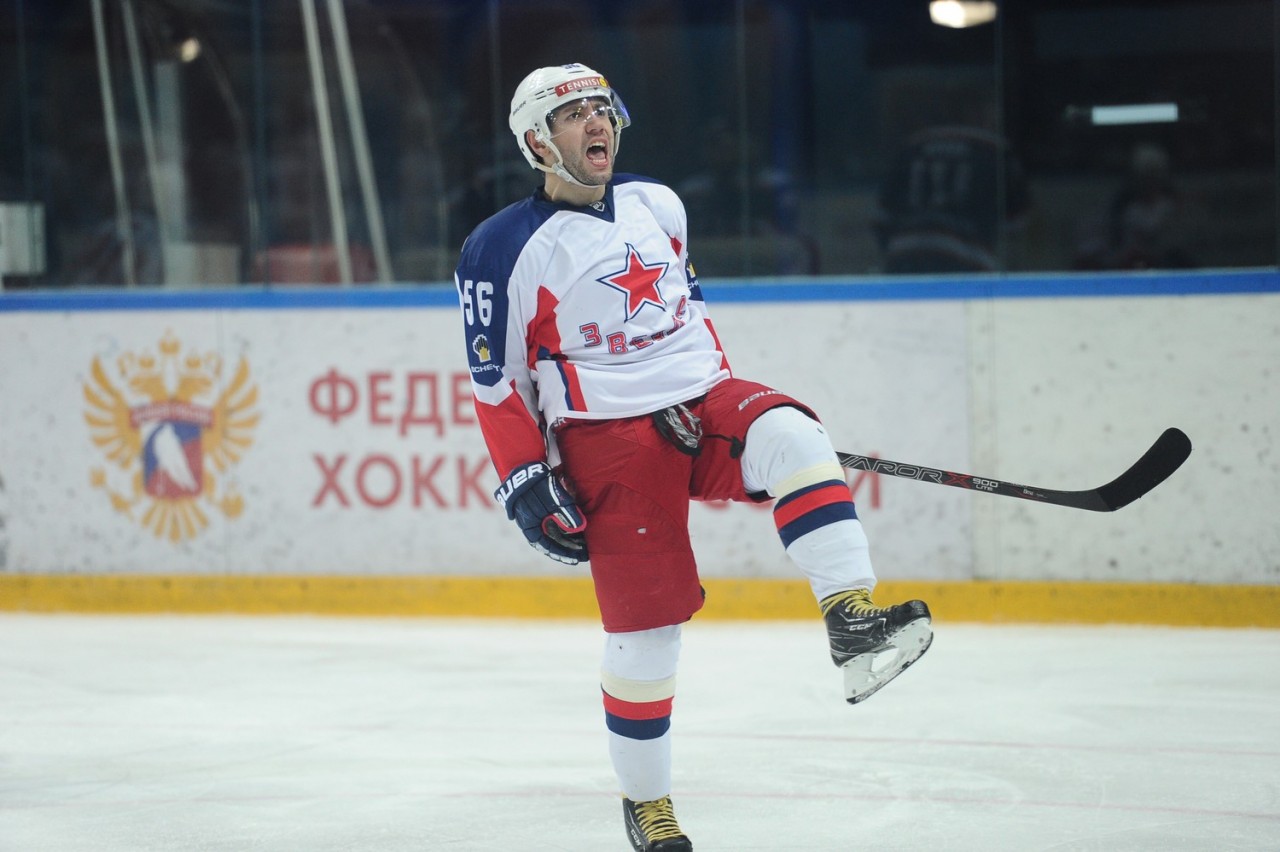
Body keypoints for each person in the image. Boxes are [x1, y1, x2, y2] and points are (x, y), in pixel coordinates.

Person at [455, 62, 932, 852]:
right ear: (538, 142)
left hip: (700, 403)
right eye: (573, 114)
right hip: (605, 439)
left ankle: (851, 620)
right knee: (648, 634)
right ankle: (648, 806)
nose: (596, 122)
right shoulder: (502, 247)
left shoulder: (658, 203)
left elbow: (690, 308)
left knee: (794, 435)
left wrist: (709, 396)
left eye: (601, 108)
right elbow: (496, 380)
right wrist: (525, 480)